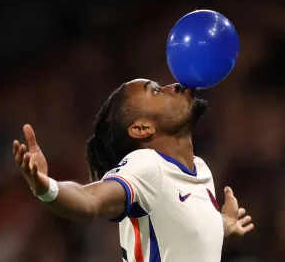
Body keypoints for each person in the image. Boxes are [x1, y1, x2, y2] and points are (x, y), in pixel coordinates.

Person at [13, 79, 254, 262]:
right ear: (142, 128)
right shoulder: (146, 166)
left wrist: (221, 223)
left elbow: (180, 232)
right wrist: (45, 186)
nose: (175, 85)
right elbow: (90, 200)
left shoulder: (200, 170)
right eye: (156, 91)